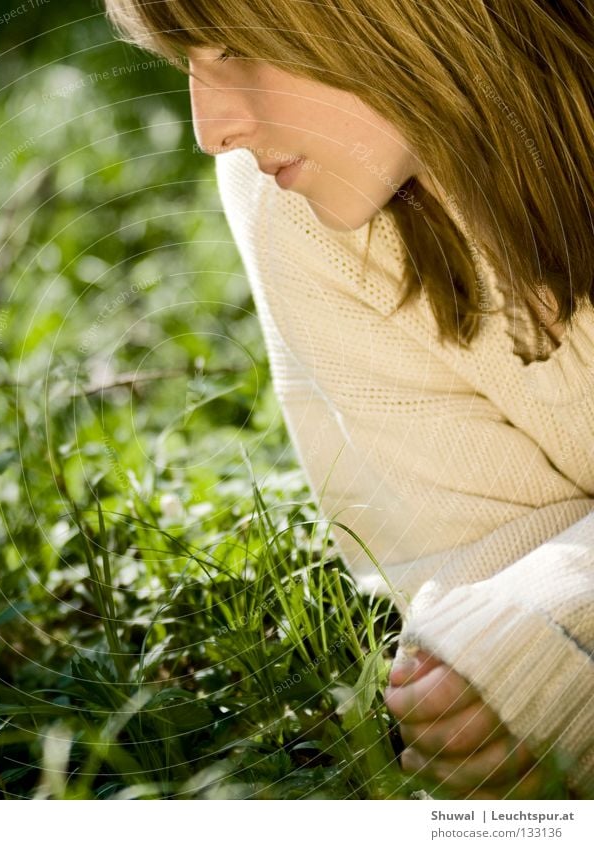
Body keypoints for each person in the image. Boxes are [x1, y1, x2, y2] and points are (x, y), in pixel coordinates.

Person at [103, 0, 594, 799]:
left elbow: (546, 624)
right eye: (185, 64)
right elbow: (495, 582)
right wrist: (512, 681)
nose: (211, 128)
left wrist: (565, 624)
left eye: (233, 49)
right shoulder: (296, 209)